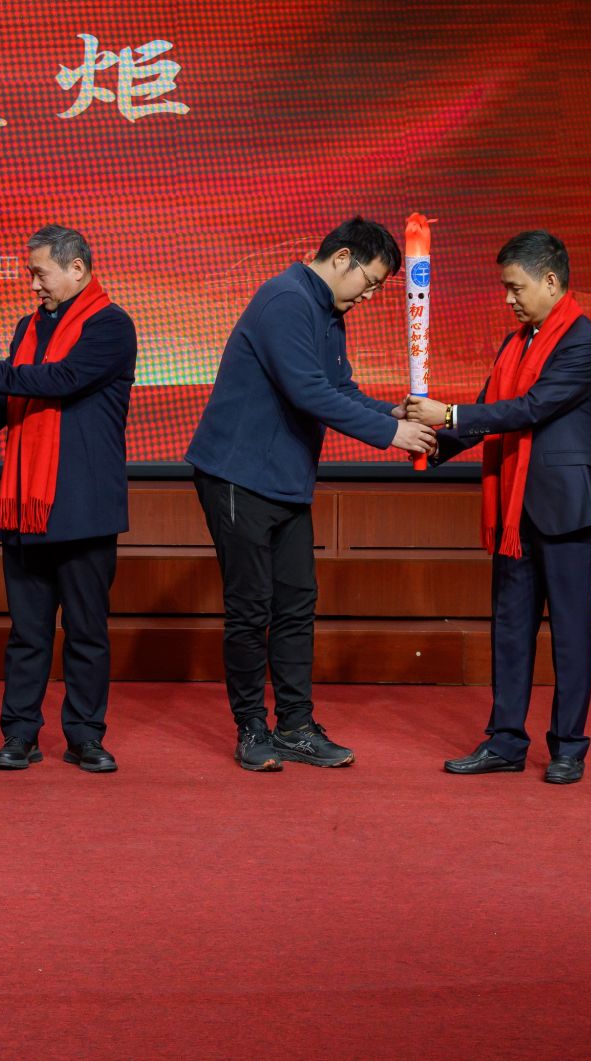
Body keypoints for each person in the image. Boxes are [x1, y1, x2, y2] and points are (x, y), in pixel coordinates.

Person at [186, 217, 440, 773]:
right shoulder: (285, 299)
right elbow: (307, 392)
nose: (370, 296)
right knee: (251, 608)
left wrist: (392, 412)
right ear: (343, 258)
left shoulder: (328, 311)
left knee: (297, 604)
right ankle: (252, 728)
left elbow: (338, 389)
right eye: (370, 282)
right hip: (239, 475)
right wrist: (390, 434)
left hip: (286, 480)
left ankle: (296, 727)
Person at [410, 231, 591, 786]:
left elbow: (531, 408)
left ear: (551, 281)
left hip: (567, 511)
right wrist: (429, 440)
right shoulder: (514, 342)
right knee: (511, 629)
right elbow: (490, 411)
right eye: (506, 288)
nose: (508, 299)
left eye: (515, 287)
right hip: (514, 512)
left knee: (570, 633)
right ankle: (505, 742)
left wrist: (449, 414)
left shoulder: (585, 341)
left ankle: (568, 747)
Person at [0, 225, 135, 775]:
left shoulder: (111, 325)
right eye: (31, 274)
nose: (33, 284)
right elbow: (13, 398)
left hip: (83, 507)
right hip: (26, 505)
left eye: (40, 273)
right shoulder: (27, 327)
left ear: (77, 268)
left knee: (86, 631)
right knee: (27, 633)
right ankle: (20, 733)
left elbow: (61, 379)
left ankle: (85, 736)